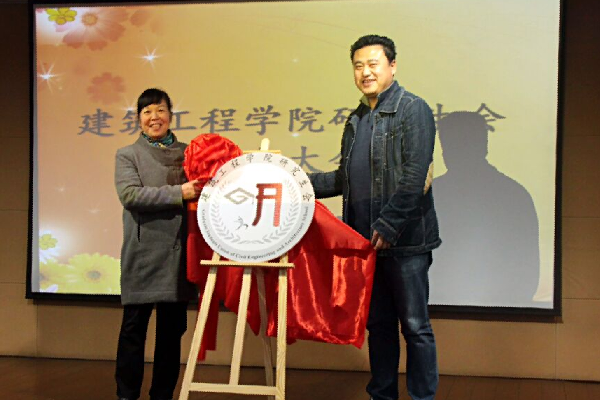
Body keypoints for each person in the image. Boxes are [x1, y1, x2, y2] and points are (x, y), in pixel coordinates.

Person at [309, 35, 441, 400]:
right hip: (366, 243)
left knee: (415, 326)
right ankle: (382, 395)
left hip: (405, 241)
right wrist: (295, 181)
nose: (365, 72)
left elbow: (415, 175)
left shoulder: (412, 108)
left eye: (373, 64)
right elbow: (344, 178)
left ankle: (422, 397)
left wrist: (389, 224)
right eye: (358, 66)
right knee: (378, 325)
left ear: (392, 66)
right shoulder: (357, 118)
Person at [114, 88, 201, 400]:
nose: (155, 117)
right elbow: (130, 195)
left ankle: (162, 396)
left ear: (170, 115)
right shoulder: (128, 155)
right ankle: (127, 395)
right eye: (147, 111)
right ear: (139, 119)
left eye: (160, 110)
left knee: (171, 334)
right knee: (133, 331)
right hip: (143, 255)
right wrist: (180, 193)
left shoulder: (189, 153)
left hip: (178, 255)